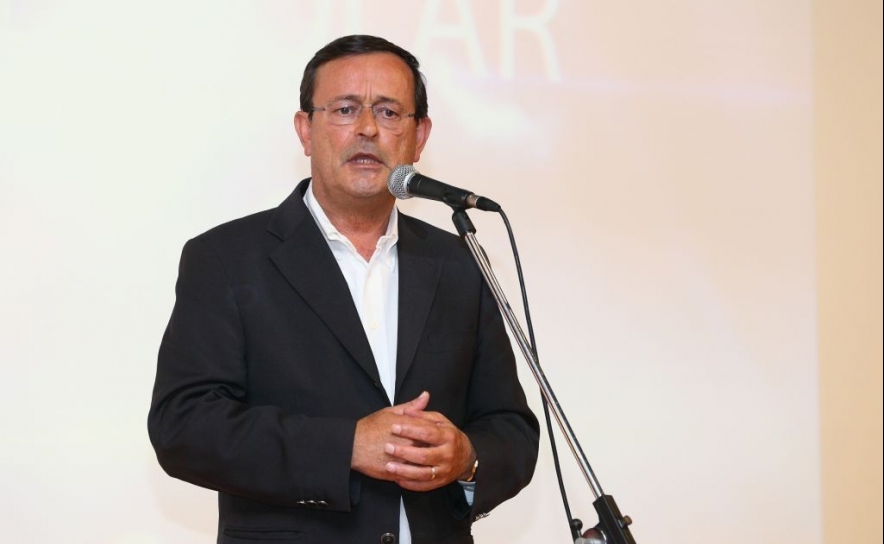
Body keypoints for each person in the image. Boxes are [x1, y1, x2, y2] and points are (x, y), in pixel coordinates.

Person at [148, 34, 539, 544]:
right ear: (305, 130)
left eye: (389, 112)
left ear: (419, 136)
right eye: (345, 109)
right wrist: (346, 446)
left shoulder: (458, 261)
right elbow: (184, 427)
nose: (368, 128)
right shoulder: (226, 258)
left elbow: (510, 426)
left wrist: (467, 458)